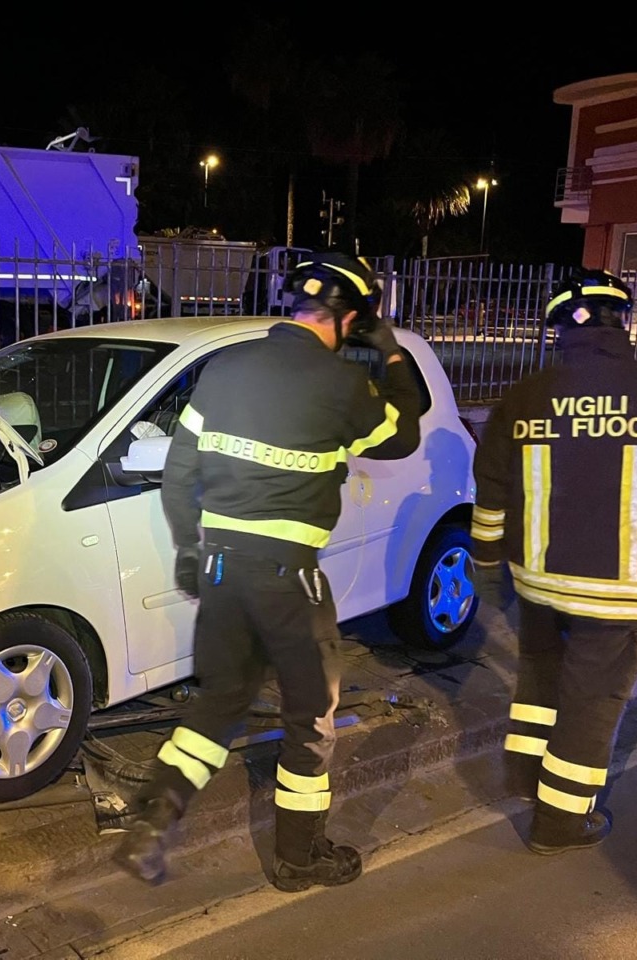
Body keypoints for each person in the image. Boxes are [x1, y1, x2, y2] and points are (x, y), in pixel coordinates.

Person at [113, 253, 423, 891]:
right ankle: (299, 857)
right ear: (350, 317)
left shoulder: (226, 368)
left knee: (221, 701)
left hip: (223, 570)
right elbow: (405, 430)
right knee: (311, 717)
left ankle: (151, 823)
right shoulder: (341, 386)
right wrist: (388, 351)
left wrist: (189, 552)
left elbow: (180, 473)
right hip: (290, 580)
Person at [469, 268, 637, 855]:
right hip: (620, 593)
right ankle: (558, 823)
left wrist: (484, 561)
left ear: (558, 328)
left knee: (540, 682)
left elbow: (492, 486)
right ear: (620, 321)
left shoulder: (524, 395)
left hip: (537, 586)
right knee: (592, 701)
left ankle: (529, 782)